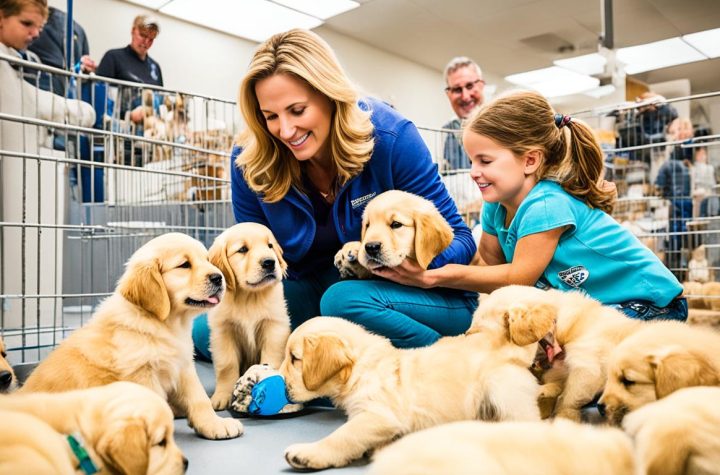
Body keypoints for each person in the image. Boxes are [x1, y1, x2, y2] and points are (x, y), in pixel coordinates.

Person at [192, 29, 477, 358]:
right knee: (208, 331)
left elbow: (461, 239)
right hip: (312, 285)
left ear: (330, 95)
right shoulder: (250, 160)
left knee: (340, 301)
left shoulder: (392, 137)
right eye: (270, 116)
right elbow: (258, 261)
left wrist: (412, 266)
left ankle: (451, 360)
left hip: (399, 289)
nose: (285, 130)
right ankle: (330, 354)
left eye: (297, 110)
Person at [373, 90, 687, 322]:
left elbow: (517, 278)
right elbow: (489, 267)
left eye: (485, 160)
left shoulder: (547, 205)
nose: (473, 171)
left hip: (650, 303)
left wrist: (439, 275)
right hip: (596, 306)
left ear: (530, 160)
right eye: (471, 160)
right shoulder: (496, 207)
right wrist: (429, 262)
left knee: (582, 355)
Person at [96, 14, 163, 124]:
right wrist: (129, 116)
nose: (146, 42)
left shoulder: (155, 68)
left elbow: (160, 104)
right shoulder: (113, 58)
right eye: (142, 35)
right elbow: (100, 99)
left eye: (151, 39)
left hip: (148, 132)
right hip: (119, 131)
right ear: (133, 31)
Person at [656, 117, 693, 278]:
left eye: (682, 130)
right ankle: (677, 274)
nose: (677, 134)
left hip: (684, 202)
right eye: (675, 131)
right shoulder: (675, 158)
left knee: (682, 241)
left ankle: (677, 274)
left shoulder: (686, 151)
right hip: (682, 203)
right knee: (678, 241)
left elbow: (661, 184)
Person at [28, 5, 95, 95]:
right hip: (62, 90)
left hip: (38, 86)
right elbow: (84, 62)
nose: (36, 33)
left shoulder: (36, 20)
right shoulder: (76, 27)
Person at [441, 56, 484, 171]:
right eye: (457, 90)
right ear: (448, 94)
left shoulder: (503, 123)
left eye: (470, 86)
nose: (465, 96)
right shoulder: (448, 131)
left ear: (481, 85)